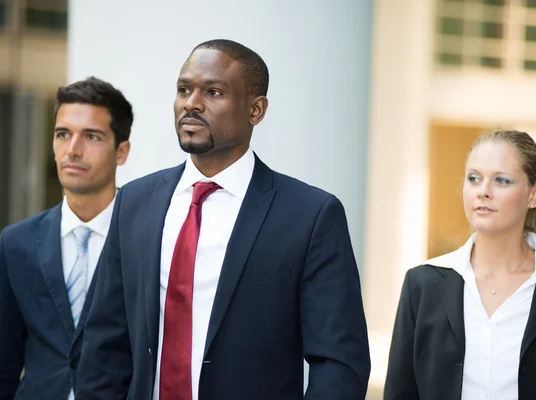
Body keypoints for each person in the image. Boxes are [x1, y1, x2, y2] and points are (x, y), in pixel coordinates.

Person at [76, 39, 370, 400]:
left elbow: (339, 363)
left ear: (256, 110)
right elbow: (104, 344)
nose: (191, 103)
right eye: (184, 89)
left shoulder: (310, 216)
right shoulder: (135, 202)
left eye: (213, 92)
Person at [384, 130, 536, 400]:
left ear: (534, 194)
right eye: (474, 178)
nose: (483, 191)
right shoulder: (422, 284)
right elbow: (400, 393)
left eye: (501, 180)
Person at [0, 77, 133, 400]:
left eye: (91, 136)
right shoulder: (16, 242)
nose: (73, 150)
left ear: (121, 152)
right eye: (63, 134)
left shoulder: (144, 241)